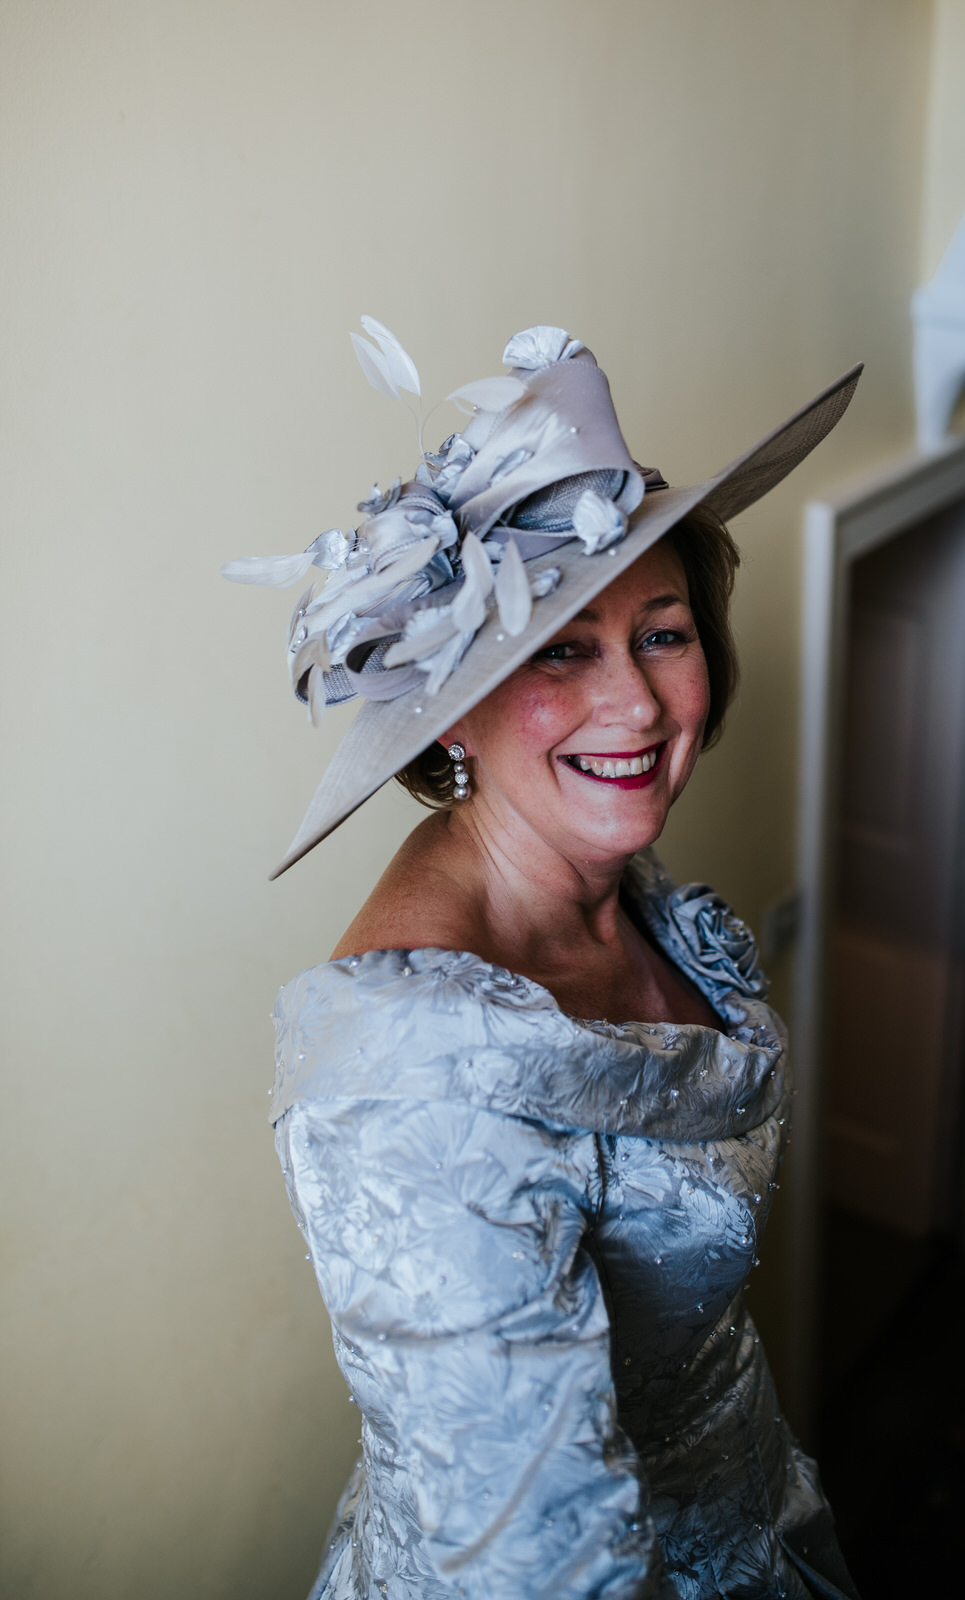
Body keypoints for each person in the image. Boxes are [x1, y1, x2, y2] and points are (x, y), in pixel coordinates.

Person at [225, 321, 863, 1599]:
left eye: (663, 632)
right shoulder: (416, 1100)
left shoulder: (612, 891)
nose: (634, 703)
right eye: (560, 647)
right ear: (449, 698)